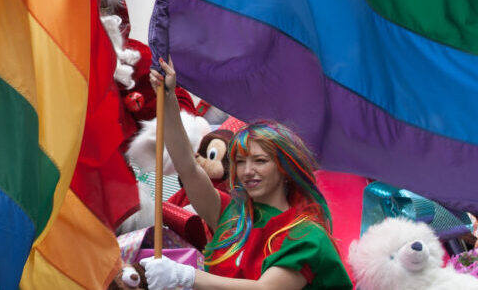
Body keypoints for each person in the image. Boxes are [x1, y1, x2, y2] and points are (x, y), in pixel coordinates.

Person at [140, 59, 351, 290]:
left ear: (286, 169)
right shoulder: (231, 215)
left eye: (260, 161)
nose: (248, 171)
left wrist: (187, 277)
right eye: (240, 162)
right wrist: (169, 98)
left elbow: (266, 289)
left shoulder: (307, 236)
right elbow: (187, 167)